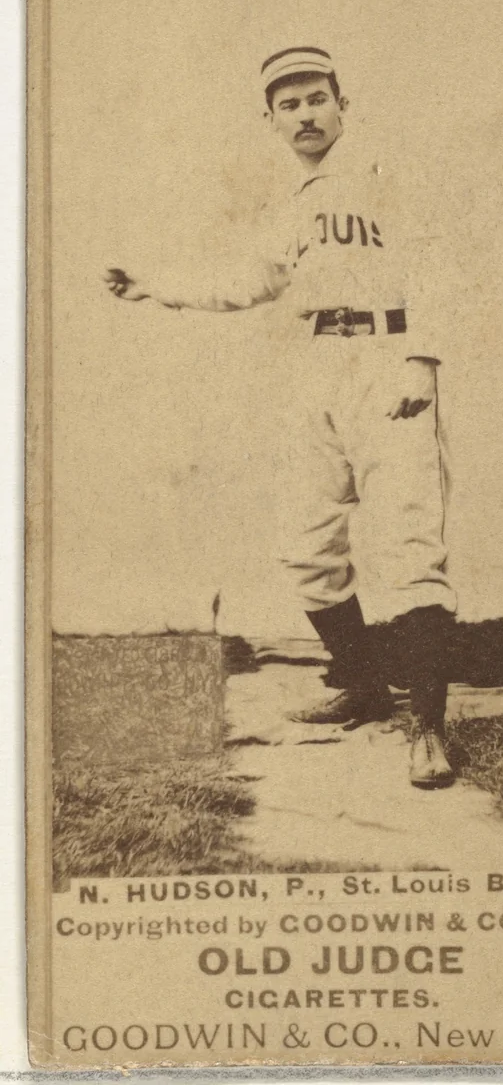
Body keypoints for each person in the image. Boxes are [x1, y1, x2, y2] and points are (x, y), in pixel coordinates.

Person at [107, 46, 457, 788]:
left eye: (316, 98)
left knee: (409, 543)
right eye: (288, 105)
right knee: (305, 543)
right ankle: (362, 685)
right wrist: (154, 285)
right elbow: (250, 280)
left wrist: (422, 360)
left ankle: (427, 727)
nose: (304, 115)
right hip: (317, 363)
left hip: (387, 354)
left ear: (342, 105)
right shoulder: (291, 204)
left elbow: (434, 259)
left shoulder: (387, 174)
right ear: (270, 119)